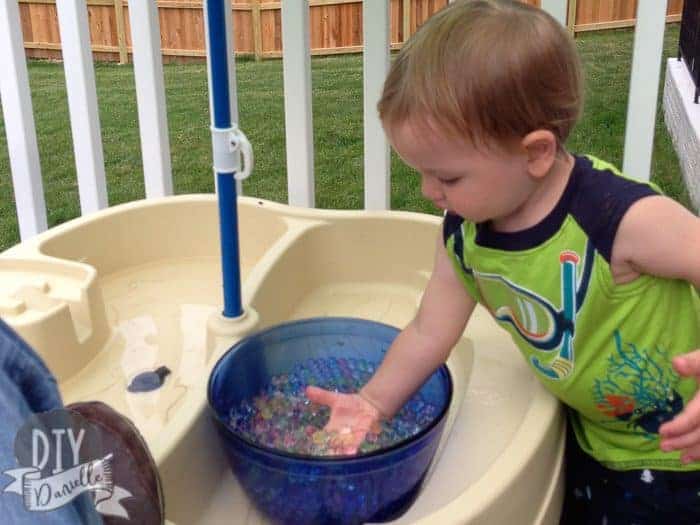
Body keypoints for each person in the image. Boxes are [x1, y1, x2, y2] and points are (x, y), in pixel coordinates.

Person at [305, 0, 700, 522]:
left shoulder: (614, 217)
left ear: (536, 152)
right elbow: (428, 330)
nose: (428, 191)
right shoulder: (468, 235)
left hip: (683, 449)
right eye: (421, 172)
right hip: (597, 437)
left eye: (447, 178)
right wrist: (373, 403)